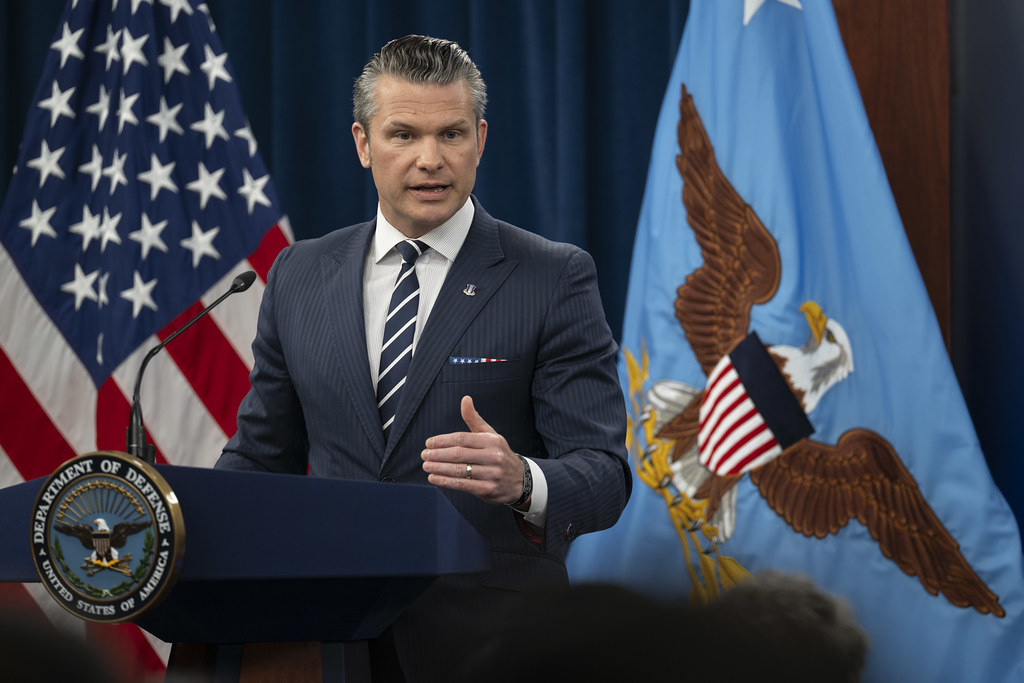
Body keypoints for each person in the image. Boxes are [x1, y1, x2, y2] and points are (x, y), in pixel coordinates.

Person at [216, 34, 631, 682]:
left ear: (480, 140)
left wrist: (523, 480)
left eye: (451, 134)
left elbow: (605, 474)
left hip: (494, 647)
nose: (430, 159)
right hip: (325, 641)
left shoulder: (552, 276)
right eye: (404, 135)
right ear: (363, 143)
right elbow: (261, 457)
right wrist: (183, 518)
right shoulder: (298, 273)